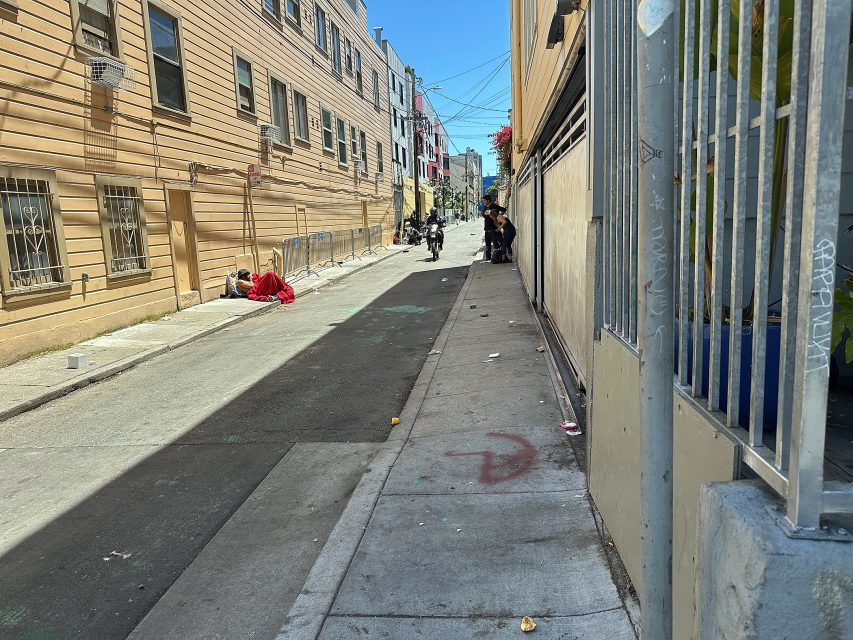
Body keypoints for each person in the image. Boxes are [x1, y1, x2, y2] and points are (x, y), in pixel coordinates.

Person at [481, 195, 505, 260]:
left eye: (485, 200)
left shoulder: (494, 206)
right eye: (483, 201)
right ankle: (488, 257)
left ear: (488, 200)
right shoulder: (485, 207)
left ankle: (498, 257)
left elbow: (504, 210)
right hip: (487, 229)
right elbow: (485, 216)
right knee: (487, 245)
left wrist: (499, 216)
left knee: (496, 244)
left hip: (494, 229)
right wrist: (483, 214)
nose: (484, 202)